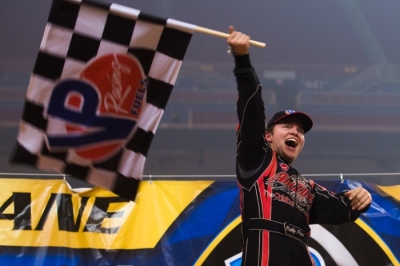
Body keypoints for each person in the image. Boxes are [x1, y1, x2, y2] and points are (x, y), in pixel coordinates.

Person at [227, 26, 372, 266]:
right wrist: (242, 59)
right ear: (267, 137)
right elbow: (251, 107)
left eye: (301, 130)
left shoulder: (308, 187)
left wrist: (361, 197)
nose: (295, 131)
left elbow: (342, 209)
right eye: (287, 127)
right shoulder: (255, 161)